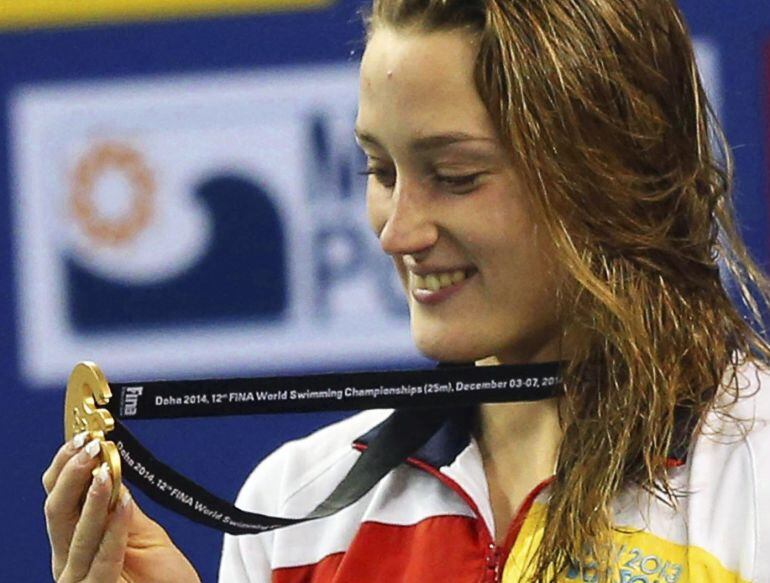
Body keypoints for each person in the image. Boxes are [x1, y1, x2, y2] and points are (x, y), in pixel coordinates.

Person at [42, 0, 770, 581]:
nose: (397, 231)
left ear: (607, 173)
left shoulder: (754, 473)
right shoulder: (295, 509)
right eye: (379, 171)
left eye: (456, 176)